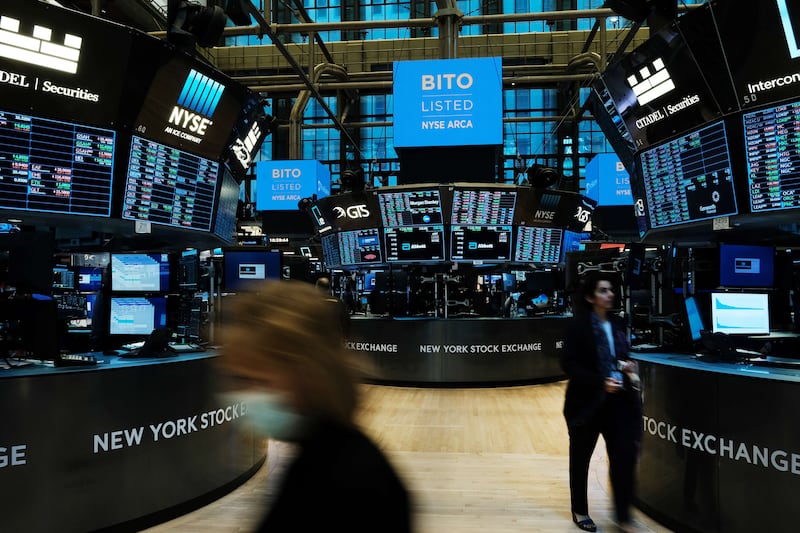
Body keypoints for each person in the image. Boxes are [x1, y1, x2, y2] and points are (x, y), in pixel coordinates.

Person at [216, 280, 412, 532]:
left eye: (254, 380)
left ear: (306, 373)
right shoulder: (322, 458)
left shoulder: (344, 483)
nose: (242, 394)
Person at [560, 271, 643, 533]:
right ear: (590, 296)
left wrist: (627, 365)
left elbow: (619, 356)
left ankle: (623, 514)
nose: (610, 294)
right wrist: (600, 382)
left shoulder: (617, 323)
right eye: (604, 290)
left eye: (610, 290)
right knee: (581, 458)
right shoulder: (578, 326)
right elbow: (569, 365)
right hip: (587, 403)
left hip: (617, 401)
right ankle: (580, 510)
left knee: (623, 456)